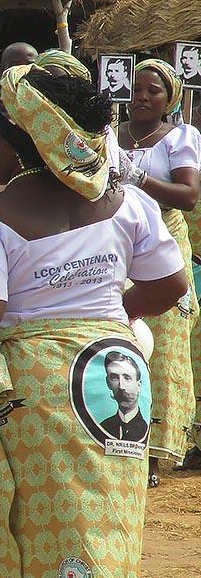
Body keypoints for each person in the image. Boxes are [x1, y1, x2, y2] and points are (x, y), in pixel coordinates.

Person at [0, 65, 186, 578]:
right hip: (108, 377)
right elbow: (169, 287)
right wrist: (111, 316)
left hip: (30, 389)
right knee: (101, 519)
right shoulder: (131, 206)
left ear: (22, 143)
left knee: (23, 524)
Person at [115, 58, 199, 485]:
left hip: (163, 241)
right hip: (117, 245)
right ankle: (122, 439)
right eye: (137, 89)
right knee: (121, 340)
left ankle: (152, 452)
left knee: (162, 346)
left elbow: (188, 196)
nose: (143, 97)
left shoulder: (180, 137)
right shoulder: (110, 135)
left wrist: (139, 177)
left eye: (154, 91)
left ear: (170, 100)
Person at [99, 351, 150, 442]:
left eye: (127, 378)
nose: (121, 386)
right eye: (114, 378)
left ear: (139, 385)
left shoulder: (146, 427)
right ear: (108, 383)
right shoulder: (103, 427)